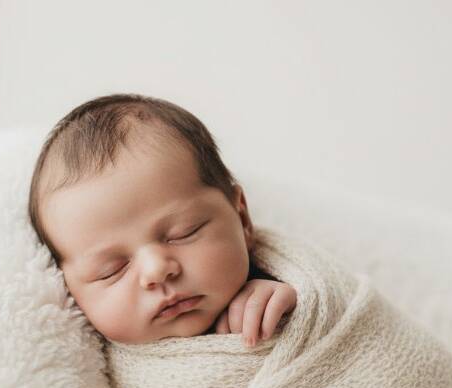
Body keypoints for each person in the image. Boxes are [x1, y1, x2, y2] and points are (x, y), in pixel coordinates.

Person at [27, 94, 296, 346]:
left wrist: (293, 311)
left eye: (184, 233)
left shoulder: (285, 291)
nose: (156, 270)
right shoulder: (79, 357)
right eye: (111, 270)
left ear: (242, 218)